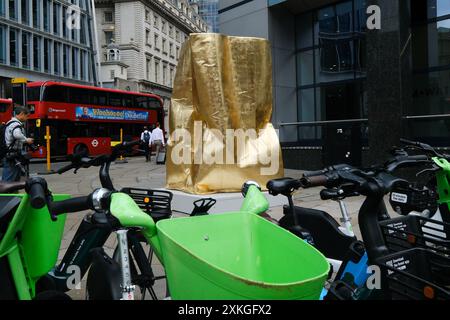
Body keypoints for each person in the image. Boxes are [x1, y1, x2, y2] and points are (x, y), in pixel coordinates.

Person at [2, 106, 34, 182]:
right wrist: (27, 140)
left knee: (14, 178)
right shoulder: (15, 124)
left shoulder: (10, 123)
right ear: (22, 114)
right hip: (12, 155)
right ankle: (4, 193)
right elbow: (17, 135)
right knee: (8, 179)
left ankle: (13, 192)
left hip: (11, 154)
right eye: (27, 116)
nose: (27, 118)